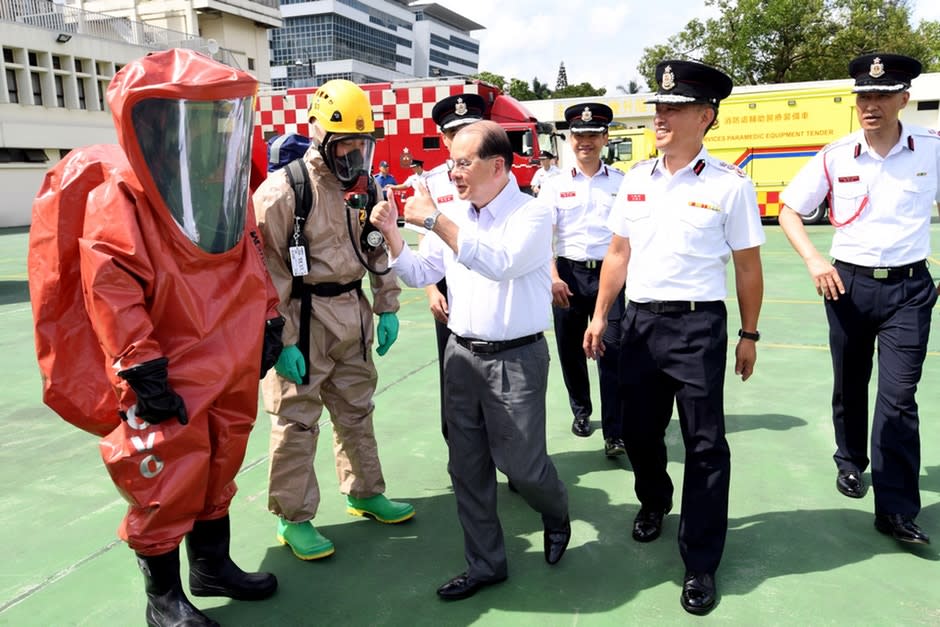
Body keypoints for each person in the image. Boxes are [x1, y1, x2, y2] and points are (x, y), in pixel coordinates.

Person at [30, 49, 283, 626]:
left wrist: (269, 318)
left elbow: (249, 258)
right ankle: (162, 600)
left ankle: (212, 567)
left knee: (222, 459)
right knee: (166, 473)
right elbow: (111, 284)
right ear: (152, 122)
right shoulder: (119, 196)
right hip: (168, 363)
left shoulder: (216, 186)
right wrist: (139, 363)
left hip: (230, 353)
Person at [584, 60, 765, 615]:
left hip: (697, 326)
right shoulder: (635, 179)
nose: (659, 116)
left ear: (705, 116)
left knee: (706, 444)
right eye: (658, 107)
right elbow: (618, 253)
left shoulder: (730, 186)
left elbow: (749, 267)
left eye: (673, 107)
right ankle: (655, 500)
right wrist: (599, 316)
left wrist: (749, 333)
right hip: (637, 324)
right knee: (640, 432)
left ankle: (701, 561)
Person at [370, 120, 571, 600]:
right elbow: (423, 269)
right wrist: (394, 234)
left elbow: (499, 263)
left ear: (498, 165)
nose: (453, 172)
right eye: (451, 162)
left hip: (516, 360)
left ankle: (556, 509)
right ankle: (486, 564)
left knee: (522, 467)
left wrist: (435, 219)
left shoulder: (532, 214)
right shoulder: (455, 216)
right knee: (466, 466)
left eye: (463, 162)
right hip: (461, 356)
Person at [778, 53, 938, 546]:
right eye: (863, 97)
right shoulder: (835, 155)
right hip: (847, 286)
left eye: (881, 96)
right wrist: (814, 261)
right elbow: (788, 209)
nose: (870, 105)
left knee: (898, 400)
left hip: (910, 291)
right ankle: (850, 461)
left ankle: (894, 509)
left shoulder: (931, 150)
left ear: (903, 100)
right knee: (850, 383)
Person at [253, 79, 414, 562]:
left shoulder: (367, 188)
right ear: (320, 135)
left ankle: (364, 491)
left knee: (356, 410)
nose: (354, 155)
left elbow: (378, 247)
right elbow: (266, 272)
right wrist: (279, 339)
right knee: (296, 422)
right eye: (345, 144)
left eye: (362, 145)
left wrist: (386, 305)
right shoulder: (283, 192)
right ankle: (293, 517)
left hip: (353, 315)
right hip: (302, 320)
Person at [540, 103, 626, 457]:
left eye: (592, 135)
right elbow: (543, 235)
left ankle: (615, 431)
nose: (585, 142)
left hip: (611, 274)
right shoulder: (554, 184)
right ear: (570, 139)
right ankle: (581, 411)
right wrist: (553, 276)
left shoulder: (623, 183)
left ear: (605, 138)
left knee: (613, 352)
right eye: (579, 135)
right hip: (569, 275)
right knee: (571, 350)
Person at [422, 92, 486, 439]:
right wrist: (431, 289)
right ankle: (459, 451)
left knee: (495, 371)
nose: (460, 139)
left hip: (489, 280)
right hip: (448, 287)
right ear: (444, 139)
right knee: (453, 372)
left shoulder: (496, 174)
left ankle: (509, 456)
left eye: (469, 130)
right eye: (453, 133)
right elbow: (424, 241)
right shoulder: (430, 182)